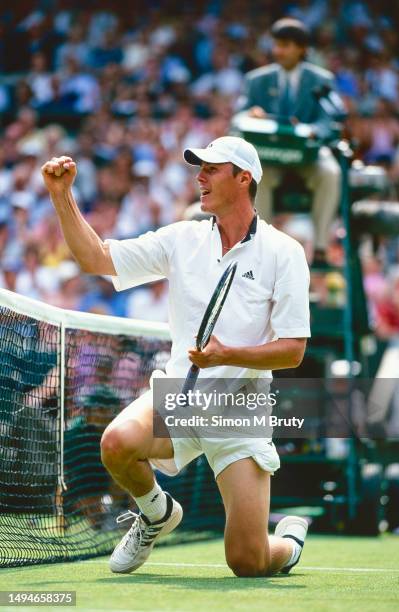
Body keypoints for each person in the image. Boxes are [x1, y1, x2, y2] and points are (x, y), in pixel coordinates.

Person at [41, 135, 311, 578]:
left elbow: (294, 351)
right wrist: (62, 196)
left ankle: (287, 543)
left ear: (244, 178)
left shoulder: (285, 252)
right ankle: (155, 514)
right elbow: (96, 258)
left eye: (211, 169)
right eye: (197, 168)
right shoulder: (182, 238)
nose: (199, 177)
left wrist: (229, 355)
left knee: (248, 561)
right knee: (116, 444)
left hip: (238, 408)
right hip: (180, 395)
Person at [243, 18, 343, 268]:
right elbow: (238, 115)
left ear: (301, 48)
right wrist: (250, 115)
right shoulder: (258, 80)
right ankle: (260, 249)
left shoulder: (321, 79)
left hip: (307, 153)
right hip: (271, 154)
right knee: (256, 175)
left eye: (286, 45)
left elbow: (329, 121)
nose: (279, 50)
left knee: (330, 172)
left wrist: (309, 131)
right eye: (276, 44)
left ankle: (320, 249)